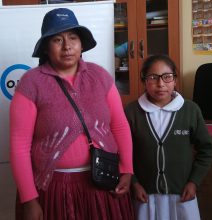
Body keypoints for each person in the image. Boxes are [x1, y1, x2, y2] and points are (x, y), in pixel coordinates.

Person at [10, 8, 134, 220]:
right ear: (46, 48)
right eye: (57, 40)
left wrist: (127, 169)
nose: (67, 46)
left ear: (81, 43)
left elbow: (119, 126)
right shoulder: (31, 83)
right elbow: (20, 145)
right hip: (53, 188)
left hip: (102, 183)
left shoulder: (100, 76)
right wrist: (29, 199)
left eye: (73, 38)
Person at [124, 54, 212, 220]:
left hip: (181, 194)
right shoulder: (132, 112)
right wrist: (134, 183)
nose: (161, 84)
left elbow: (206, 150)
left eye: (167, 77)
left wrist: (194, 182)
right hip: (145, 195)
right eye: (153, 77)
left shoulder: (190, 110)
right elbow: (123, 153)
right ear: (144, 80)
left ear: (175, 80)